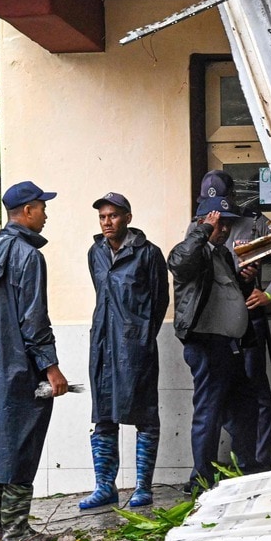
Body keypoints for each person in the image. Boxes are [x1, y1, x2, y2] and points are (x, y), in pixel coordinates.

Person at [0, 181, 69, 541]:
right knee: (22, 448)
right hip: (20, 369)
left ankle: (0, 530)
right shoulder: (29, 257)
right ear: (27, 211)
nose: (46, 213)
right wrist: (51, 367)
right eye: (42, 207)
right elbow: (33, 320)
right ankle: (17, 532)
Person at [198, 171, 271, 471]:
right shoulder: (198, 226)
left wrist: (269, 294)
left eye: (224, 200)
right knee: (216, 396)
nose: (219, 211)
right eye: (211, 202)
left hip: (247, 323)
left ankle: (259, 465)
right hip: (214, 326)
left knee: (256, 396)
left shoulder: (255, 223)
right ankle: (223, 466)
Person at [78, 192, 169, 510]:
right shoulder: (95, 253)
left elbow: (160, 302)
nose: (106, 222)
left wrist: (142, 336)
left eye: (113, 216)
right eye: (102, 217)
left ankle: (143, 487)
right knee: (103, 415)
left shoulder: (149, 254)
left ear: (128, 217)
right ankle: (105, 486)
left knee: (145, 415)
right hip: (102, 345)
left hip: (135, 347)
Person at [168, 193, 261, 492]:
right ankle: (200, 478)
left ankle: (246, 469)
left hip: (228, 345)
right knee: (208, 410)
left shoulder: (220, 254)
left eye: (228, 225)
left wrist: (245, 280)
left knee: (245, 408)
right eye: (220, 225)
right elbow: (179, 263)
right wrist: (203, 230)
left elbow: (226, 296)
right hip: (206, 344)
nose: (225, 230)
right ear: (205, 222)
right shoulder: (193, 251)